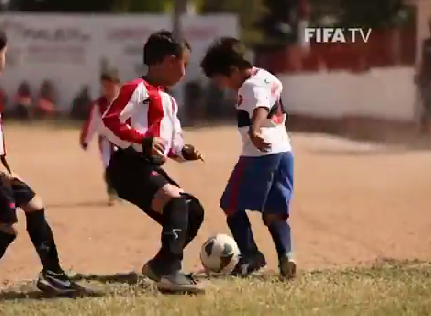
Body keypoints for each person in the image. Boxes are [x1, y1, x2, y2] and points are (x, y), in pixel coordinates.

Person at [0, 20, 95, 307]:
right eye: (5, 53)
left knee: (34, 204)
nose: (5, 60)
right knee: (8, 227)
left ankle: (53, 274)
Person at [101, 31, 206, 294]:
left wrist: (184, 151)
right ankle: (170, 272)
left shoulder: (169, 100)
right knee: (178, 202)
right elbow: (110, 122)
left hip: (147, 167)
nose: (184, 72)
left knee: (193, 211)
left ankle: (159, 265)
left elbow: (170, 145)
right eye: (185, 64)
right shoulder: (136, 89)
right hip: (128, 166)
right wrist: (142, 139)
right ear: (170, 61)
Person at [200, 37, 296, 279]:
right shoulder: (266, 76)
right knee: (274, 211)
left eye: (221, 79)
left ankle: (251, 255)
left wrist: (254, 130)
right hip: (284, 153)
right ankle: (287, 257)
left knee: (230, 203)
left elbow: (261, 107)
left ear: (233, 70)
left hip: (259, 155)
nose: (221, 86)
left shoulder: (250, 86)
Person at [80, 71, 121, 205]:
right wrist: (86, 139)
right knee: (109, 166)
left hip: (125, 140)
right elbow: (91, 123)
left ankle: (122, 191)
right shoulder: (98, 105)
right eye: (105, 87)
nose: (107, 90)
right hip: (106, 141)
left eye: (110, 87)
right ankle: (112, 193)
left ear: (118, 86)